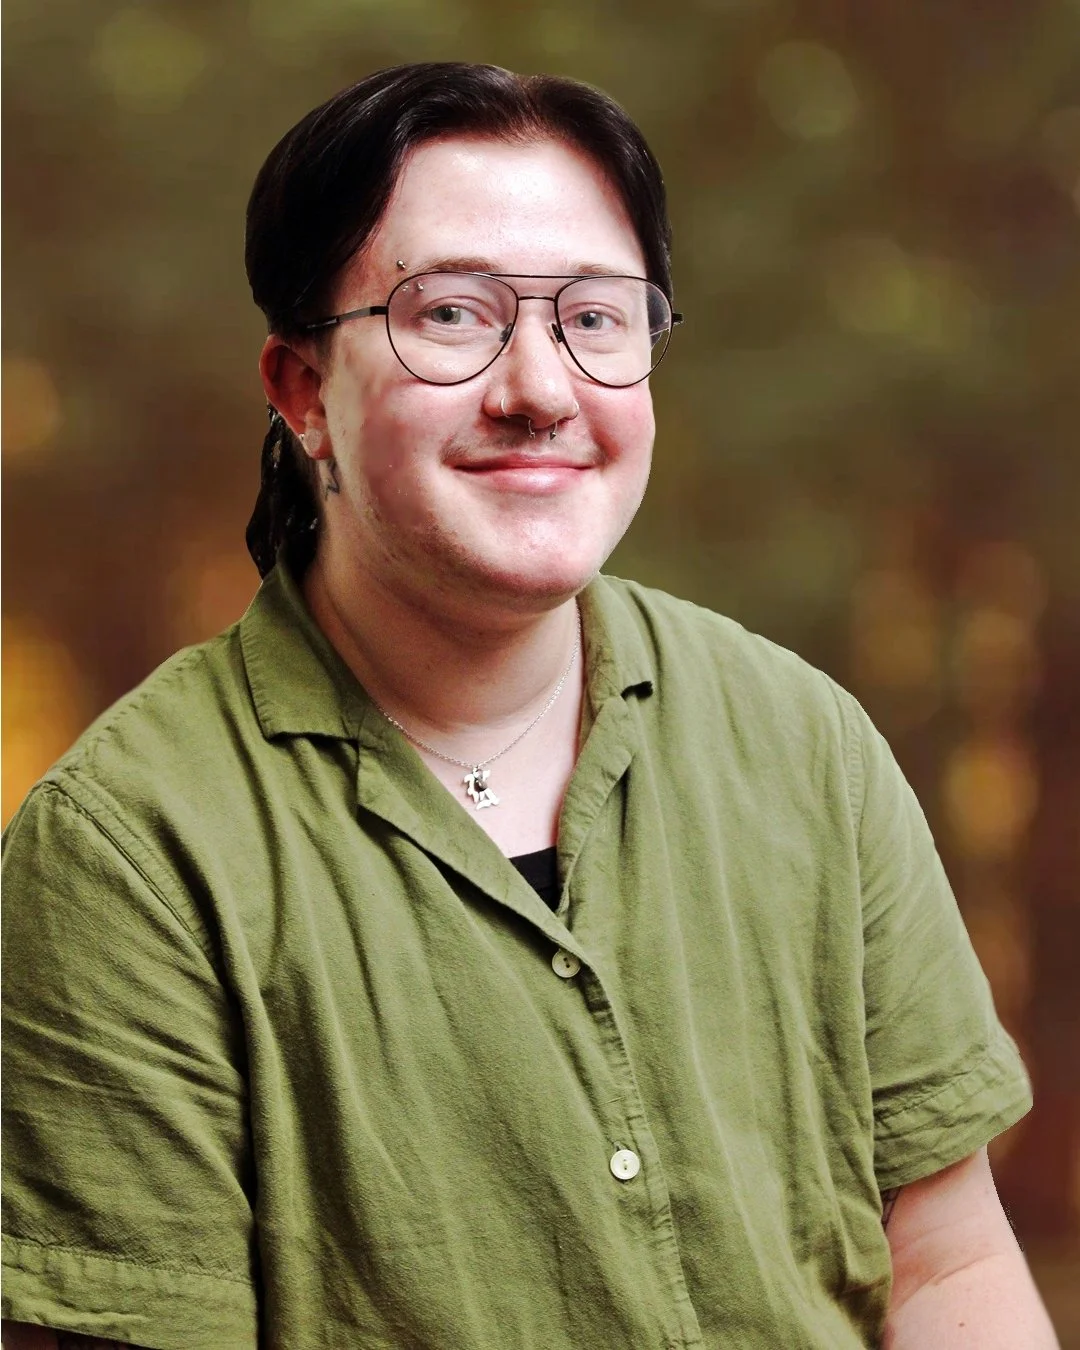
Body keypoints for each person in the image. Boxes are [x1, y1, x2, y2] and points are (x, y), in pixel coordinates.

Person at [1, 62, 1059, 1350]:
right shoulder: (130, 856)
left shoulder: (805, 744)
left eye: (597, 319)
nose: (540, 389)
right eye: (452, 315)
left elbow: (947, 1269)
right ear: (298, 391)